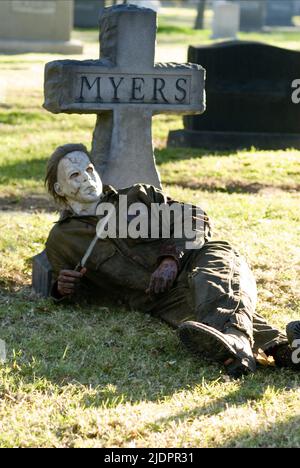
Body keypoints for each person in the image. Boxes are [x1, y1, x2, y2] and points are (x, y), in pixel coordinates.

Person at [44, 143, 300, 378]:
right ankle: (284, 351)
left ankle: (237, 345)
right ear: (60, 189)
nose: (87, 177)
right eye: (75, 175)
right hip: (162, 299)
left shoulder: (137, 196)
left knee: (216, 272)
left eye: (89, 169)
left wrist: (170, 259)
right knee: (212, 309)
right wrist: (64, 290)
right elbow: (74, 291)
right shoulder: (63, 239)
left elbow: (194, 218)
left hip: (197, 260)